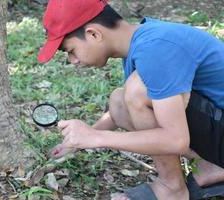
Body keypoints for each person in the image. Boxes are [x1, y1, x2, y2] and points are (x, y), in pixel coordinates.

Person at [36, 0, 224, 199]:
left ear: (94, 34)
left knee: (136, 91)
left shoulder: (156, 49)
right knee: (119, 100)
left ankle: (172, 189)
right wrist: (82, 138)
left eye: (71, 51)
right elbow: (120, 112)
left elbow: (176, 140)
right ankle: (210, 165)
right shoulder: (144, 40)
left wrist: (97, 138)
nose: (72, 61)